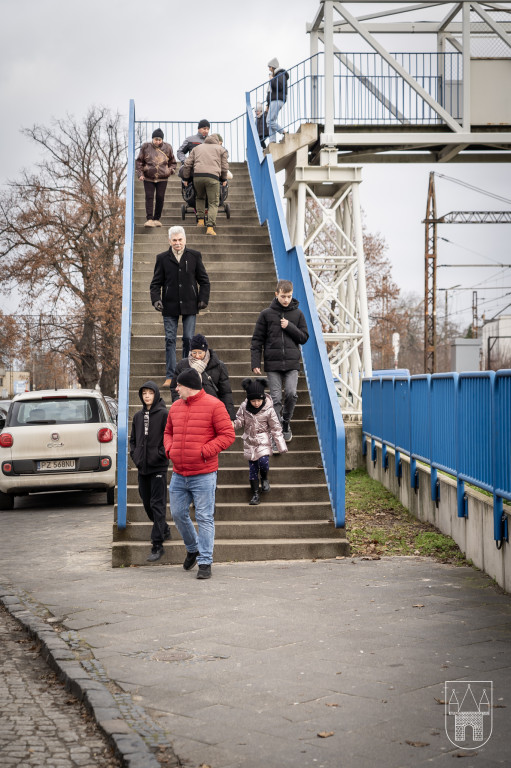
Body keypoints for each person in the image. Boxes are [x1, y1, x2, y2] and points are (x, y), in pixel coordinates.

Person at [164, 368, 235, 580]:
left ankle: (205, 561)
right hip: (179, 473)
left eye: (179, 385)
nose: (176, 389)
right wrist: (170, 449)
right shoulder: (175, 407)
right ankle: (193, 548)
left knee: (204, 517)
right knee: (177, 513)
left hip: (204, 473)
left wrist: (204, 451)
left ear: (189, 386)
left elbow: (228, 435)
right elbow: (168, 432)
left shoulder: (215, 405)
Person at [149, 226, 210, 387]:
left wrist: (203, 298)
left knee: (188, 339)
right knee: (170, 339)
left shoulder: (194, 256)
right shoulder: (162, 258)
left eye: (180, 240)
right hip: (169, 305)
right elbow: (155, 284)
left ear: (185, 239)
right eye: (174, 240)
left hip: (190, 303)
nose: (177, 243)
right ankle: (170, 375)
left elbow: (204, 280)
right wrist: (156, 300)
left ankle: (185, 373)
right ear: (170, 241)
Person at [251, 279, 309, 444]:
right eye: (283, 296)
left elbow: (304, 337)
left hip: (292, 364)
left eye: (289, 296)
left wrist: (289, 326)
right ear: (276, 294)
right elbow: (257, 340)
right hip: (273, 364)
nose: (286, 300)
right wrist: (256, 362)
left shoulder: (298, 314)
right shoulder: (266, 314)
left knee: (291, 393)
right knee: (275, 399)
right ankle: (276, 434)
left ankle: (286, 422)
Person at [129, 381, 171, 562]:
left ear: (156, 394)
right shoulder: (138, 416)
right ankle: (164, 528)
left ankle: (157, 545)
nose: (147, 396)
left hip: (158, 466)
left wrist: (160, 454)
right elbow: (133, 440)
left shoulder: (164, 414)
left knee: (157, 504)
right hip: (143, 467)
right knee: (146, 502)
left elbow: (169, 437)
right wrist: (136, 456)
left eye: (150, 393)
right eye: (144, 393)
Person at [233, 377, 287, 506]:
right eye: (253, 401)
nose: (256, 403)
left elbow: (275, 428)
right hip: (249, 440)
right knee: (252, 468)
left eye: (259, 400)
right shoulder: (244, 407)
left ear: (263, 398)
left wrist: (281, 445)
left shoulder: (269, 409)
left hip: (263, 439)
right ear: (249, 399)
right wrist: (231, 425)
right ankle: (255, 494)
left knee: (263, 462)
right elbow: (239, 420)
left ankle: (264, 477)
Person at [171, 333, 236, 420]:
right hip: (188, 408)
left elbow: (225, 392)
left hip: (212, 408)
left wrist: (230, 417)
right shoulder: (183, 365)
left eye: (200, 353)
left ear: (205, 351)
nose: (197, 356)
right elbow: (174, 388)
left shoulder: (218, 365)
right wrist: (179, 405)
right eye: (194, 353)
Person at [182, 134, 229, 236]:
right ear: (217, 141)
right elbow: (224, 167)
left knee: (199, 198)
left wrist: (185, 178)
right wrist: (224, 179)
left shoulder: (197, 148)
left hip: (197, 177)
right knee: (213, 202)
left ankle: (200, 222)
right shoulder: (221, 150)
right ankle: (210, 227)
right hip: (213, 177)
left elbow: (187, 164)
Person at [135, 129, 177, 228]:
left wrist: (169, 171)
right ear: (152, 139)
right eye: (156, 139)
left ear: (162, 139)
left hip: (163, 177)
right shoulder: (146, 146)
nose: (157, 141)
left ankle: (157, 219)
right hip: (148, 177)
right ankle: (149, 219)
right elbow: (139, 161)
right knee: (149, 197)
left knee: (160, 197)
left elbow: (173, 162)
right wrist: (140, 174)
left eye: (159, 139)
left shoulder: (168, 147)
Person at [265, 58, 289, 144]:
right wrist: (268, 104)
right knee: (270, 121)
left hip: (278, 99)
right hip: (274, 100)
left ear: (273, 67)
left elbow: (279, 86)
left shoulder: (281, 74)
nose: (269, 69)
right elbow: (270, 92)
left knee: (269, 121)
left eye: (270, 67)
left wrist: (272, 79)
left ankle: (284, 132)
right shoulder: (276, 75)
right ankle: (272, 141)